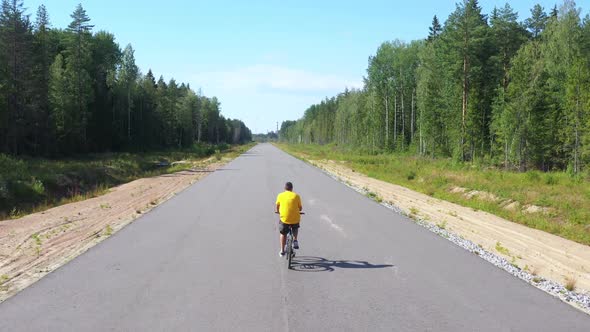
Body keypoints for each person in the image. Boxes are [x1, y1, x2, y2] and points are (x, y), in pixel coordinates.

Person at [275, 182, 302, 256]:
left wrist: (278, 212)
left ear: (285, 188)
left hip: (284, 218)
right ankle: (295, 240)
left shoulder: (280, 195)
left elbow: (277, 206)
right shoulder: (296, 196)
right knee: (295, 227)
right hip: (295, 218)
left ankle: (282, 251)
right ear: (292, 189)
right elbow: (300, 208)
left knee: (283, 233)